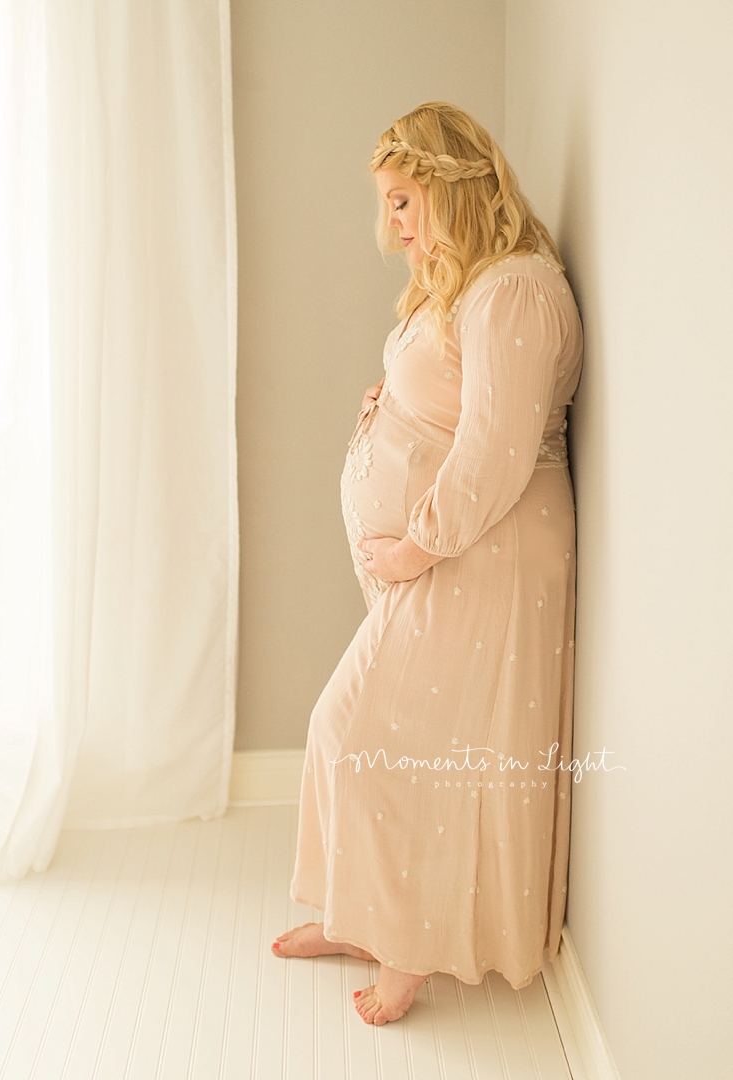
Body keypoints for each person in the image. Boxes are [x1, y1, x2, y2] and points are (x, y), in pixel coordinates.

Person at [272, 101, 584, 1027]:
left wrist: (416, 542)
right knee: (359, 733)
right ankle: (363, 914)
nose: (394, 227)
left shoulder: (516, 287)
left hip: (489, 550)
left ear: (451, 182)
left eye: (405, 202)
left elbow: (495, 449)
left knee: (373, 731)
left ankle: (408, 949)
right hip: (461, 546)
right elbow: (459, 398)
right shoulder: (470, 281)